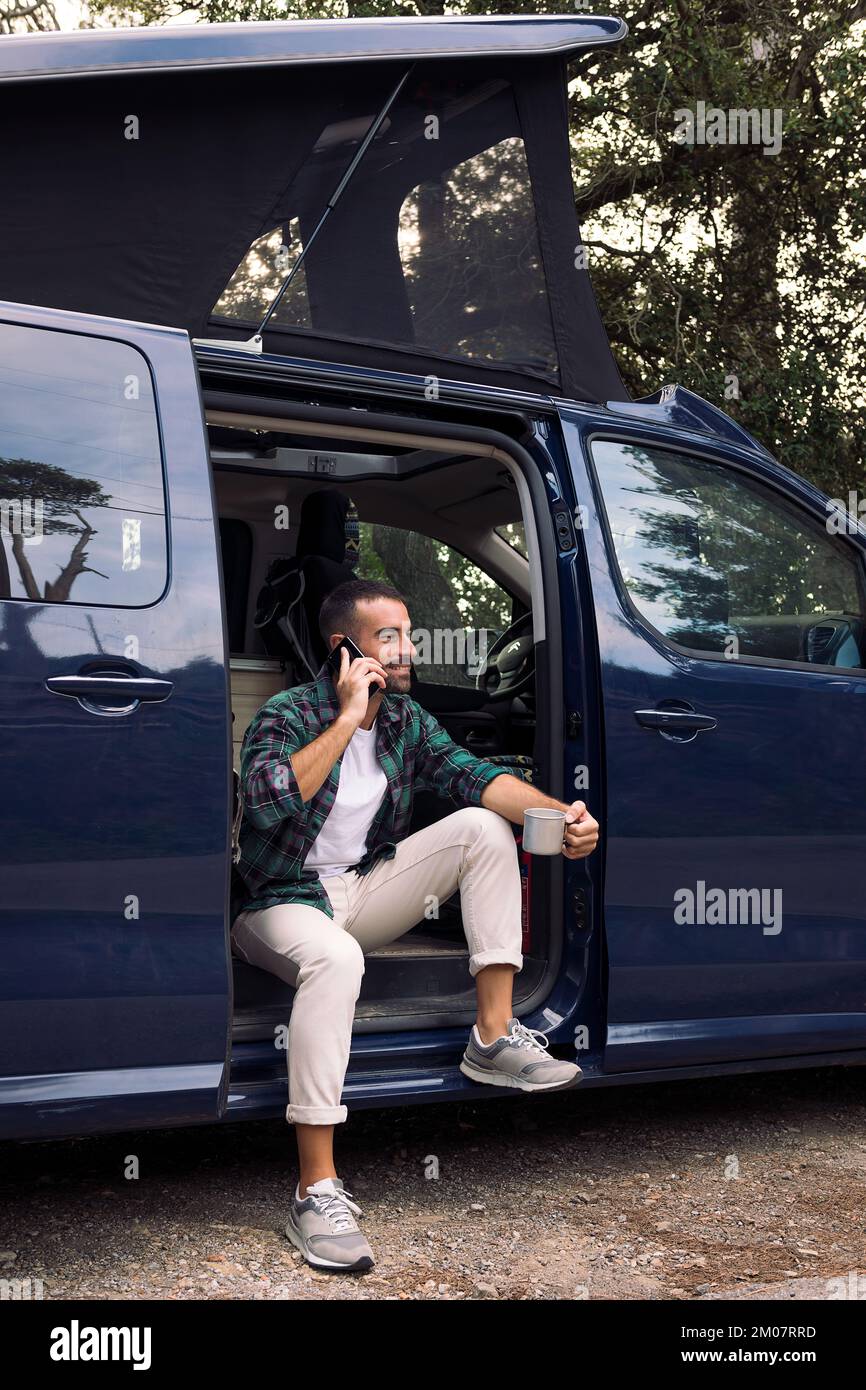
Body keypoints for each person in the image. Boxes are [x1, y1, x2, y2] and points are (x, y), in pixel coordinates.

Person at [232, 578, 599, 1272]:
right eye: (389, 637)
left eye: (409, 632)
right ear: (345, 649)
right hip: (278, 904)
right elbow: (268, 805)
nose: (407, 648)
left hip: (363, 892)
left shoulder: (407, 720)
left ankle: (492, 1037)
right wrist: (345, 720)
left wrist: (564, 815)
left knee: (483, 828)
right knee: (336, 959)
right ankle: (316, 1189)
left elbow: (475, 776)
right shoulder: (287, 714)